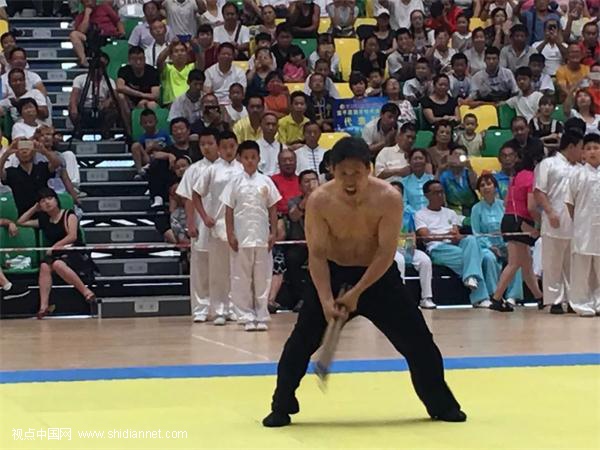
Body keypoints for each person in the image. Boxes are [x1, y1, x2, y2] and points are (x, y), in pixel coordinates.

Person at [262, 137, 465, 427]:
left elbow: (385, 253)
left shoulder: (388, 198)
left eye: (356, 173)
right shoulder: (320, 200)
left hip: (378, 276)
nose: (349, 180)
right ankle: (281, 404)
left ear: (369, 170)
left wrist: (358, 292)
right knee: (300, 343)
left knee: (419, 343)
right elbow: (317, 256)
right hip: (332, 273)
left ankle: (441, 403)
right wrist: (326, 301)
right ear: (331, 170)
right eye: (342, 173)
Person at [222, 140, 281, 331]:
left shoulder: (266, 181)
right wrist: (230, 234)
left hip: (262, 236)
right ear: (240, 159)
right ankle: (245, 315)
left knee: (262, 276)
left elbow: (273, 207)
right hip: (241, 236)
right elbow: (229, 210)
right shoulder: (234, 182)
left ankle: (261, 313)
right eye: (246, 158)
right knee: (241, 277)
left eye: (253, 158)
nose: (249, 161)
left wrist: (273, 232)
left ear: (258, 159)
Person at [18, 188, 97, 319]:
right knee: (44, 266)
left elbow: (72, 236)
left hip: (74, 250)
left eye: (50, 199)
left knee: (58, 265)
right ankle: (43, 307)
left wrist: (55, 247)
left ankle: (86, 292)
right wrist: (34, 208)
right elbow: (21, 222)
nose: (47, 203)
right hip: (56, 253)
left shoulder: (69, 215)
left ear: (56, 200)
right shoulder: (44, 220)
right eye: (43, 201)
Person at [415, 180, 491, 308]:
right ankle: (481, 296)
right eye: (435, 193)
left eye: (441, 192)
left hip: (454, 244)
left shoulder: (450, 213)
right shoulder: (420, 214)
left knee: (471, 240)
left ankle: (470, 277)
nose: (440, 196)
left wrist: (455, 236)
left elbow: (456, 231)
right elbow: (426, 236)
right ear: (427, 195)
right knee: (476, 257)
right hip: (437, 248)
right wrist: (445, 236)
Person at [193, 131, 243, 325]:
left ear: (236, 146)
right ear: (219, 148)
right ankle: (219, 309)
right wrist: (205, 216)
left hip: (239, 226)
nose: (229, 151)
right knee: (218, 270)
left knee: (237, 270)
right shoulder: (212, 170)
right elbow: (196, 194)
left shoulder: (242, 169)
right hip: (218, 225)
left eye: (232, 146)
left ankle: (235, 308)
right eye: (224, 147)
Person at [490, 144, 545, 312]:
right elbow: (530, 206)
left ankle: (540, 297)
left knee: (526, 263)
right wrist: (539, 224)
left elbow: (507, 200)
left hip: (509, 218)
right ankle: (496, 299)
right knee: (514, 263)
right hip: (519, 221)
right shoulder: (530, 177)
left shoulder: (516, 176)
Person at [534, 131, 583, 314]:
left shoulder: (580, 168)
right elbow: (539, 191)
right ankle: (555, 300)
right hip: (554, 220)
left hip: (576, 224)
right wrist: (549, 211)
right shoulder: (548, 164)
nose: (582, 152)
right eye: (580, 148)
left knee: (573, 264)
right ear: (571, 147)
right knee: (553, 263)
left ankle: (573, 299)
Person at [180, 129, 219, 323]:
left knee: (224, 268)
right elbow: (188, 198)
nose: (206, 147)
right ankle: (201, 308)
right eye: (202, 144)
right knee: (201, 267)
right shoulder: (194, 170)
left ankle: (223, 307)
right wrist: (190, 224)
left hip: (222, 225)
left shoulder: (230, 168)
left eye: (209, 143)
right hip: (201, 224)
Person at [471, 174, 523, 307]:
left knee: (516, 258)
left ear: (495, 187)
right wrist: (490, 247)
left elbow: (511, 227)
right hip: (485, 246)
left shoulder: (503, 206)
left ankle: (513, 296)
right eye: (482, 185)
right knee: (489, 259)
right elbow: (476, 233)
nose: (486, 188)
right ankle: (495, 296)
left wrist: (506, 245)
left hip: (505, 243)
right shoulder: (476, 209)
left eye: (489, 184)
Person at [566, 133, 600, 317]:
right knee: (581, 269)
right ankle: (581, 303)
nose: (593, 151)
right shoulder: (576, 174)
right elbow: (569, 203)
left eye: (596, 147)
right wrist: (579, 222)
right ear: (583, 153)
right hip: (583, 228)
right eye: (589, 148)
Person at [390, 181, 436, 310]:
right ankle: (401, 299)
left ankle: (426, 298)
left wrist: (412, 244)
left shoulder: (408, 213)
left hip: (407, 247)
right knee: (399, 261)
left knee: (425, 260)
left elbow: (412, 232)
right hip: (390, 249)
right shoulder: (382, 212)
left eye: (398, 192)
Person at [0, 138, 61, 216]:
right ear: (16, 154)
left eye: (27, 149)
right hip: (25, 216)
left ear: (33, 152)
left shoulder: (41, 167)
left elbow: (57, 164)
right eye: (21, 149)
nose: (24, 152)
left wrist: (44, 151)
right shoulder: (11, 172)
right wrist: (7, 153)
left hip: (46, 213)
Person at [68, 52, 119, 139]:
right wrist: (74, 109)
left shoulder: (109, 81)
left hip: (101, 111)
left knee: (114, 109)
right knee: (71, 107)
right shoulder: (80, 79)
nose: (99, 69)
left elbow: (115, 96)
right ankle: (78, 130)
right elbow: (74, 97)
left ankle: (105, 131)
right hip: (84, 110)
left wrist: (107, 102)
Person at [69, 0, 125, 67]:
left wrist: (122, 32)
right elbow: (81, 31)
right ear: (82, 3)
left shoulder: (105, 8)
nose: (89, 2)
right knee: (73, 35)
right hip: (92, 40)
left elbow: (117, 21)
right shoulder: (80, 17)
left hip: (110, 37)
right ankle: (83, 60)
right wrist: (87, 15)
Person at [131, 109, 172, 180]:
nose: (148, 125)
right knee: (135, 145)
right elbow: (142, 154)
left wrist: (160, 149)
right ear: (141, 124)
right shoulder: (142, 138)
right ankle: (140, 171)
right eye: (145, 123)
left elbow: (171, 148)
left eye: (150, 122)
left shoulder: (164, 134)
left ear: (156, 121)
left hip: (162, 158)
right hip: (148, 159)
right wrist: (150, 147)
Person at [438, 147, 478, 220]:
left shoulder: (469, 172)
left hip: (471, 209)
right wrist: (439, 169)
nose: (458, 157)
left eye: (461, 155)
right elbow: (436, 189)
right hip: (452, 210)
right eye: (455, 155)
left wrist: (470, 168)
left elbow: (474, 186)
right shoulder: (444, 175)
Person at [271, 149, 301, 216]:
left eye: (291, 160)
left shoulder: (302, 180)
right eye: (284, 161)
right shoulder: (272, 181)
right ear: (278, 164)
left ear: (296, 162)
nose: (288, 163)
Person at [169, 156, 192, 244]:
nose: (181, 169)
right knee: (175, 215)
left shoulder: (199, 183)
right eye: (177, 168)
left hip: (198, 214)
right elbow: (172, 209)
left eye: (183, 166)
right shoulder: (174, 188)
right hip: (183, 217)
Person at [257, 112, 283, 176]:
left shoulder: (283, 148)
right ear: (261, 125)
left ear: (277, 127)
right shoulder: (254, 147)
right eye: (268, 124)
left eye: (274, 125)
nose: (271, 127)